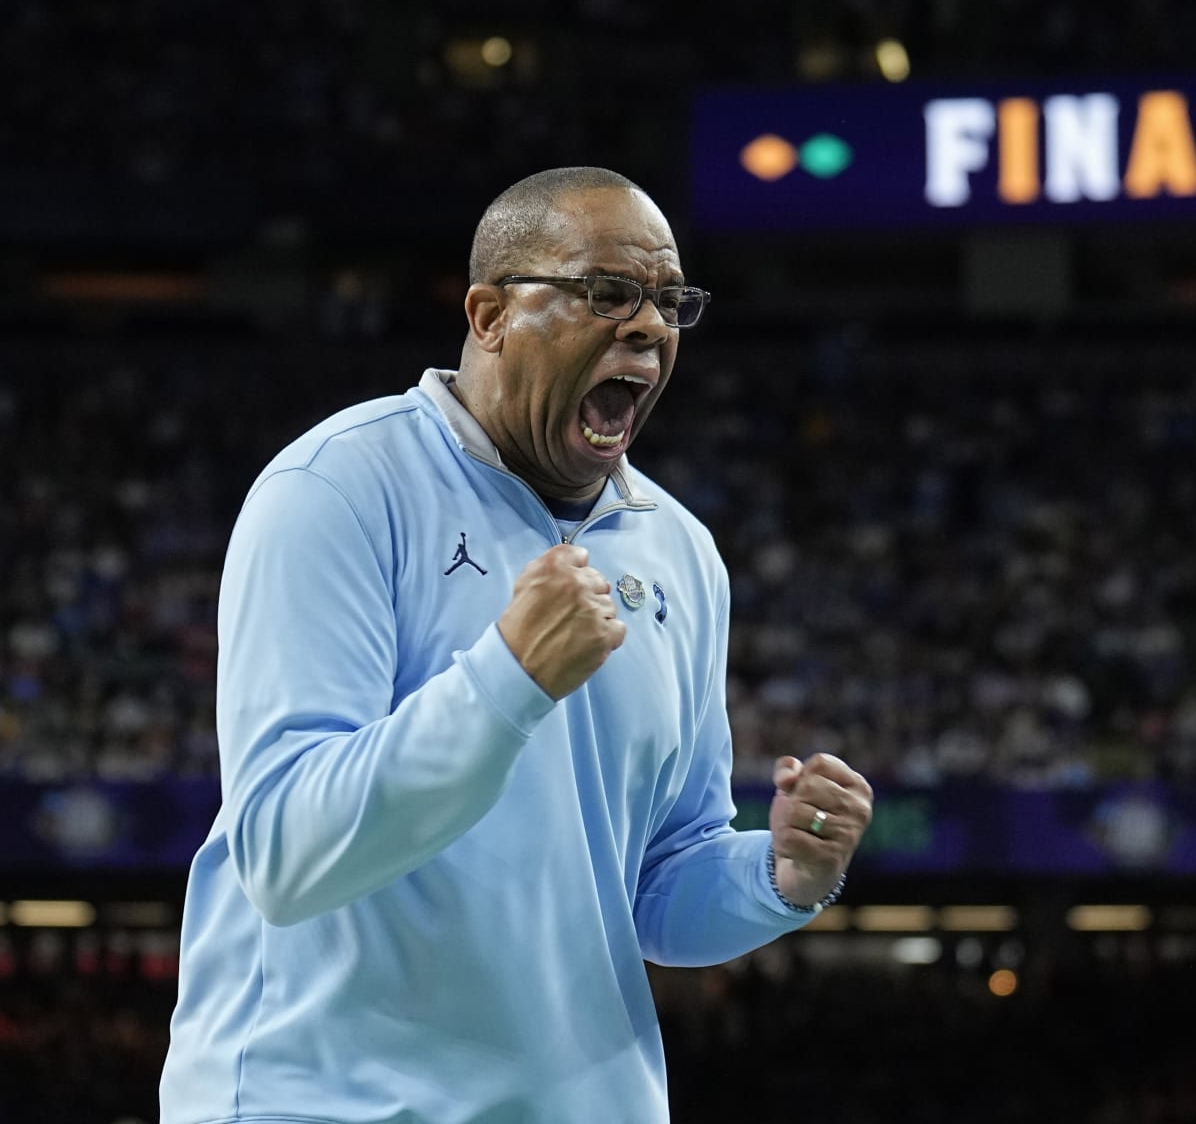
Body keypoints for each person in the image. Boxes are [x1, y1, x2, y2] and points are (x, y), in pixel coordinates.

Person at [161, 167, 874, 1123]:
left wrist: (777, 877)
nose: (650, 328)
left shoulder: (681, 551)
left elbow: (660, 884)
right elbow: (287, 858)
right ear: (491, 314)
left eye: (669, 302)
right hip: (329, 1102)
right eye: (607, 294)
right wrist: (507, 680)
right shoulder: (336, 490)